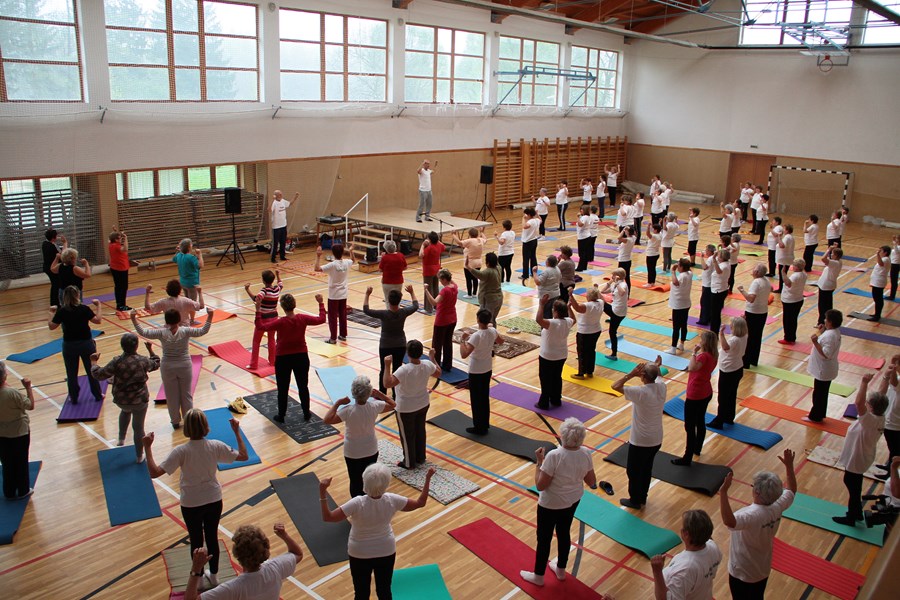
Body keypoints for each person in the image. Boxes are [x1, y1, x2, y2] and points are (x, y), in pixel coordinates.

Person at [144, 410, 248, 591]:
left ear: (187, 428)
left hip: (191, 503)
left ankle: (198, 578)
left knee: (196, 540)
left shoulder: (181, 451)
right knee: (212, 537)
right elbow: (244, 456)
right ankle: (214, 576)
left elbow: (154, 472)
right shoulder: (215, 445)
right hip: (213, 499)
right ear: (206, 426)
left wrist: (147, 447)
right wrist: (236, 431)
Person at [319, 463, 435, 599]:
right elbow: (420, 503)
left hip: (359, 552)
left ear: (365, 482)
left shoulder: (357, 503)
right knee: (384, 591)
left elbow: (328, 517)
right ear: (386, 483)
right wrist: (428, 478)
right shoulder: (392, 500)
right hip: (386, 550)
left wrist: (322, 491)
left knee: (361, 594)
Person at [520, 418, 598, 586]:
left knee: (544, 538)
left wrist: (539, 463)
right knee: (564, 532)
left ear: (562, 435)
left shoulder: (554, 455)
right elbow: (591, 481)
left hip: (550, 504)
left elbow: (540, 485)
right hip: (573, 500)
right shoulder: (586, 452)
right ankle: (561, 569)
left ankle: (538, 576)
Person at [720, 449, 797, 599]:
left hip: (742, 572)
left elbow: (729, 521)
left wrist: (723, 493)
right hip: (762, 568)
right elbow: (792, 490)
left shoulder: (751, 515)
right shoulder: (777, 505)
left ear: (756, 492)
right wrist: (789, 466)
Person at [132, 307, 213, 428]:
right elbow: (203, 331)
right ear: (179, 319)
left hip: (168, 367)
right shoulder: (185, 331)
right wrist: (210, 316)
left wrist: (133, 318)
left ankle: (175, 421)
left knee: (171, 396)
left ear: (166, 320)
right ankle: (188, 420)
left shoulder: (161, 333)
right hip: (184, 365)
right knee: (186, 395)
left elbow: (143, 332)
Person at [254, 294, 326, 422]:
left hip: (283, 359)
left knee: (283, 388)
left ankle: (281, 415)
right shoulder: (302, 318)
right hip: (301, 357)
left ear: (282, 307)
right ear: (294, 304)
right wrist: (320, 303)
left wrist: (258, 310)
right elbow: (321, 319)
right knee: (303, 387)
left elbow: (261, 327)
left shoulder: (280, 322)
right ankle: (306, 413)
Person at [183, 523, 302, 600]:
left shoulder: (234, 587)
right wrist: (284, 535)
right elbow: (298, 554)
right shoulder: (276, 567)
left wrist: (196, 569)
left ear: (237, 554)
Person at [90, 334, 160, 462]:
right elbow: (156, 363)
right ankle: (139, 456)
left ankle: (121, 439)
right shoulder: (142, 360)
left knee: (125, 411)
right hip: (139, 400)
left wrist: (94, 362)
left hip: (121, 400)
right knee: (138, 428)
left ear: (122, 346)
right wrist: (150, 350)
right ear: (136, 346)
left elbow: (98, 375)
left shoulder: (117, 361)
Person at [323, 375, 396, 497]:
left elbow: (327, 419)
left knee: (355, 481)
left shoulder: (348, 410)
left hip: (353, 452)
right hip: (371, 450)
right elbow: (393, 404)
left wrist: (338, 403)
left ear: (353, 392)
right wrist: (380, 394)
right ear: (369, 393)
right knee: (369, 479)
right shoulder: (375, 406)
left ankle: (356, 503)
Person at [833, 370, 890, 526]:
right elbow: (881, 395)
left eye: (868, 403)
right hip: (863, 456)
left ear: (871, 407)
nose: (866, 403)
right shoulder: (879, 416)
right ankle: (857, 512)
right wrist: (886, 377)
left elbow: (858, 403)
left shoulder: (870, 421)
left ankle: (852, 517)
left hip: (857, 457)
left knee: (852, 486)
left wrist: (864, 382)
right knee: (854, 484)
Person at [612, 358, 666, 509]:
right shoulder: (662, 387)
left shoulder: (640, 392)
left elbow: (615, 386)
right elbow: (658, 376)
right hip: (656, 439)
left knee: (633, 471)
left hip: (641, 440)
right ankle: (642, 497)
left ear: (642, 376)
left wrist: (630, 374)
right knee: (646, 469)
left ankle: (635, 500)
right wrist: (655, 366)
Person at [382, 340, 440, 469]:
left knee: (408, 435)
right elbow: (438, 372)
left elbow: (387, 383)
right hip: (423, 404)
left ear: (407, 353)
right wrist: (432, 358)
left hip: (406, 408)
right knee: (420, 431)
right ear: (421, 353)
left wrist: (387, 365)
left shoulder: (404, 370)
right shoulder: (427, 364)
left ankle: (409, 463)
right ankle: (420, 457)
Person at [650, 510, 721, 600]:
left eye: (682, 526)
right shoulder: (713, 547)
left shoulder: (685, 569)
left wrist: (657, 571)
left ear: (686, 534)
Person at [49, 286, 103, 403]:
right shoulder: (84, 309)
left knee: (71, 373)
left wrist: (51, 313)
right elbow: (98, 320)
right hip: (86, 344)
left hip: (69, 345)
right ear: (78, 295)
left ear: (64, 297)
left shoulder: (62, 311)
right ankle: (97, 395)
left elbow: (51, 326)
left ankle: (73, 397)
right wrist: (98, 305)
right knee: (91, 369)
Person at [673, 330, 718, 467]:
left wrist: (693, 353)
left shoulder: (703, 356)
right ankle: (697, 448)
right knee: (700, 421)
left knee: (690, 426)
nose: (699, 341)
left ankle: (687, 457)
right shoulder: (714, 355)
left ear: (705, 342)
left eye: (701, 339)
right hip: (706, 391)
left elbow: (692, 367)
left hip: (696, 394)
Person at [365, 285, 419, 398]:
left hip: (386, 345)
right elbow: (415, 306)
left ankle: (382, 395)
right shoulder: (403, 312)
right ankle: (396, 395)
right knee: (397, 370)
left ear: (388, 301)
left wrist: (367, 294)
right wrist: (412, 292)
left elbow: (366, 310)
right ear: (399, 301)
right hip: (400, 345)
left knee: (384, 369)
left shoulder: (383, 314)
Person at [460, 309, 502, 434]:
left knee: (476, 399)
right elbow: (501, 341)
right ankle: (484, 424)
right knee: (484, 397)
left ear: (478, 320)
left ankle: (479, 426)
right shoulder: (492, 331)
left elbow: (464, 354)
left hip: (476, 371)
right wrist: (492, 330)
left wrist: (462, 340)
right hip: (487, 369)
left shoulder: (476, 336)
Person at [0, 362, 35, 500]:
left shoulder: (9, 392)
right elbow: (30, 405)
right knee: (21, 461)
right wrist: (28, 388)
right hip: (19, 432)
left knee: (7, 462)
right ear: (4, 376)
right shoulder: (12, 393)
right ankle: (22, 490)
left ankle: (9, 491)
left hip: (2, 434)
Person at [708, 317, 749, 430]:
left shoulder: (734, 340)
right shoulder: (744, 336)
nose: (730, 326)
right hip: (737, 368)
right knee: (731, 395)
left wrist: (721, 334)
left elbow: (725, 347)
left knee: (723, 397)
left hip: (729, 370)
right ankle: (729, 417)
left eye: (732, 325)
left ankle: (719, 420)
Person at [535, 295, 573, 410]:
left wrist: (541, 305)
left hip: (548, 356)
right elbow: (574, 319)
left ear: (556, 312)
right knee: (556, 377)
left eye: (553, 309)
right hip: (561, 355)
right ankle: (556, 399)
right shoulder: (568, 321)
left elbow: (539, 320)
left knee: (545, 379)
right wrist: (569, 308)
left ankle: (544, 402)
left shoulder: (552, 323)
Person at [806, 309, 842, 423]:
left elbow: (826, 354)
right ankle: (819, 413)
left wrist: (815, 342)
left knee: (819, 394)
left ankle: (815, 416)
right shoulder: (833, 332)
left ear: (830, 322)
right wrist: (822, 332)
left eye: (826, 319)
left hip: (823, 369)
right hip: (826, 369)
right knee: (821, 393)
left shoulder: (830, 336)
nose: (824, 320)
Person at [244, 269, 283, 367]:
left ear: (263, 280)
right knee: (271, 340)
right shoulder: (277, 289)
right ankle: (273, 361)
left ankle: (254, 364)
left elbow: (256, 299)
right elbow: (280, 284)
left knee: (256, 341)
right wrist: (278, 275)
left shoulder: (264, 291)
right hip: (274, 318)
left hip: (263, 319)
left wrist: (247, 289)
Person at [316, 244, 354, 343]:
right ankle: (343, 335)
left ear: (333, 253)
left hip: (333, 295)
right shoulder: (347, 262)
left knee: (332, 317)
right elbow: (353, 260)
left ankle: (333, 338)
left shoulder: (332, 265)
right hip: (343, 294)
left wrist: (318, 256)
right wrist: (351, 251)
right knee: (343, 315)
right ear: (342, 252)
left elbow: (317, 268)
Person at [423, 269, 457, 373]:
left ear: (444, 279)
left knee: (437, 344)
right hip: (452, 318)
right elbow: (450, 279)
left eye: (440, 279)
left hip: (442, 320)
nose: (440, 282)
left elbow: (434, 302)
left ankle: (435, 366)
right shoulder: (455, 286)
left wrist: (426, 290)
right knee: (448, 343)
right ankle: (447, 365)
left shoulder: (445, 291)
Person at [739, 264, 772, 368]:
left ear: (757, 272)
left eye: (754, 270)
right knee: (757, 337)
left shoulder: (756, 282)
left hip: (753, 312)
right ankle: (754, 360)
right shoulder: (766, 280)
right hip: (763, 312)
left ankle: (746, 362)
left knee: (748, 337)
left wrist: (742, 290)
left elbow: (751, 299)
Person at [569, 285, 603, 379]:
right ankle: (589, 371)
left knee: (582, 353)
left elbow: (577, 308)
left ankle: (581, 373)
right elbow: (600, 297)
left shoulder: (588, 305)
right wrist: (596, 289)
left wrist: (571, 295)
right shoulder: (600, 302)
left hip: (584, 332)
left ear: (588, 296)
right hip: (596, 330)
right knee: (591, 351)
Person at [465, 251, 503, 326]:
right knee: (492, 319)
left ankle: (487, 333)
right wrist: (493, 255)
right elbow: (496, 262)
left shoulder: (488, 272)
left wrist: (468, 266)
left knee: (486, 321)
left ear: (487, 263)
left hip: (489, 300)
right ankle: (493, 332)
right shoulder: (499, 268)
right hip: (499, 298)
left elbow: (479, 274)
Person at [173, 239, 204, 324]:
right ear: (189, 247)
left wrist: (177, 251)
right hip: (192, 283)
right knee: (192, 303)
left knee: (186, 300)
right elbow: (200, 265)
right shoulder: (191, 258)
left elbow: (174, 259)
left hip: (183, 282)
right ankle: (192, 320)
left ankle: (185, 317)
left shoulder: (179, 255)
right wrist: (200, 255)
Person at [601, 268, 628, 360]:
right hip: (615, 310)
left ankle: (614, 354)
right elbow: (603, 291)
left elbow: (622, 292)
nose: (611, 276)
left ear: (618, 277)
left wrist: (616, 282)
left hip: (617, 312)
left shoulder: (623, 284)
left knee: (601, 302)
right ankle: (614, 354)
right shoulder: (615, 285)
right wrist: (610, 282)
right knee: (612, 332)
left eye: (613, 275)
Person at [667, 258, 693, 355]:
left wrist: (673, 271)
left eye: (679, 265)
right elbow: (689, 269)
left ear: (682, 267)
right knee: (683, 324)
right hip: (686, 303)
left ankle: (673, 348)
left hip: (678, 305)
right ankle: (681, 344)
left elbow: (675, 282)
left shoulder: (682, 276)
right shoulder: (690, 274)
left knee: (676, 327)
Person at [779, 258, 807, 345]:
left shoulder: (795, 276)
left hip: (790, 301)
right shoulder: (804, 274)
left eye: (794, 265)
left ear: (797, 267)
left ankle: (788, 338)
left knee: (788, 320)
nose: (793, 267)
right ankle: (791, 337)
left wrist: (783, 273)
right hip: (798, 299)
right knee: (793, 320)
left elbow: (788, 283)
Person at [453, 227, 487, 299]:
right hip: (478, 262)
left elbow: (459, 243)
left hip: (469, 263)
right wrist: (482, 232)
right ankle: (474, 293)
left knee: (468, 279)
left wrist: (453, 235)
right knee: (475, 278)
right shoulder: (480, 240)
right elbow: (485, 239)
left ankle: (469, 294)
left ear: (469, 234)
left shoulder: (470, 241)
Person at [420, 231, 446, 314]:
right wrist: (437, 240)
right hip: (436, 269)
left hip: (428, 270)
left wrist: (423, 245)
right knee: (435, 288)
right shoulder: (439, 245)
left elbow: (421, 255)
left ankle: (428, 309)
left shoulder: (429, 248)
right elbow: (444, 247)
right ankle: (436, 306)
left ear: (430, 240)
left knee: (428, 289)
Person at [815, 245, 842, 325]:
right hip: (829, 285)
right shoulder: (838, 262)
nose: (831, 255)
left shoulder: (835, 263)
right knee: (828, 305)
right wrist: (834, 248)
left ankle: (822, 322)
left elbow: (823, 259)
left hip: (826, 286)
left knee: (823, 306)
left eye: (832, 254)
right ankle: (828, 321)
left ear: (836, 256)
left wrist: (828, 250)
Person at [379, 240, 407, 308]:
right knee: (397, 300)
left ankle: (389, 313)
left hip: (387, 282)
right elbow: (405, 267)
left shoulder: (385, 258)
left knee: (388, 300)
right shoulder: (401, 255)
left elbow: (380, 269)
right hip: (399, 281)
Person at [709, 248, 731, 335]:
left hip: (718, 291)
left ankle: (714, 332)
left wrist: (714, 260)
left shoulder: (724, 266)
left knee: (715, 313)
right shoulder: (725, 264)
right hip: (720, 289)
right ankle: (714, 330)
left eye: (719, 256)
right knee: (716, 312)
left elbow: (718, 271)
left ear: (722, 257)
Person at [108, 229, 131, 311]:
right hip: (121, 268)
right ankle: (122, 305)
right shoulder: (117, 246)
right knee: (123, 287)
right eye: (119, 238)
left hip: (114, 267)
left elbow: (110, 238)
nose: (121, 239)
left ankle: (119, 304)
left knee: (118, 287)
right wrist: (126, 238)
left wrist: (115, 231)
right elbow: (125, 249)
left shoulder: (110, 244)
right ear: (116, 239)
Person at [42, 228, 66, 307]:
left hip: (47, 267)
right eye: (56, 236)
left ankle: (54, 302)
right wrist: (65, 243)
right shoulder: (51, 246)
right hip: (52, 268)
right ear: (53, 238)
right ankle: (55, 303)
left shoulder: (45, 243)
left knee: (55, 284)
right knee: (56, 285)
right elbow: (62, 255)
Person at [270, 190, 295, 262]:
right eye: (279, 194)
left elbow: (290, 203)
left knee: (283, 242)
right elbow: (269, 209)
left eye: (281, 194)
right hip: (276, 227)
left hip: (283, 225)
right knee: (275, 243)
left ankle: (282, 256)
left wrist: (295, 197)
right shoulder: (274, 203)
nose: (281, 195)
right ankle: (273, 258)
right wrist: (272, 200)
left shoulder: (283, 201)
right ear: (275, 195)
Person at [534, 254, 562, 319]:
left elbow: (538, 282)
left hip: (546, 295)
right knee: (550, 312)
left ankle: (545, 325)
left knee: (545, 313)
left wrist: (534, 272)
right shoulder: (557, 269)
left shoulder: (546, 272)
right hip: (556, 293)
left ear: (548, 262)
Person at [697, 245, 716, 327]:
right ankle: (708, 318)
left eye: (706, 250)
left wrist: (701, 257)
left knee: (705, 302)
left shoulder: (710, 259)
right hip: (709, 282)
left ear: (710, 251)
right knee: (708, 302)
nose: (705, 251)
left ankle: (704, 319)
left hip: (708, 283)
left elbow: (704, 267)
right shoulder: (713, 258)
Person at [870, 245, 890, 322]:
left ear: (885, 252)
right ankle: (876, 314)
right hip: (877, 281)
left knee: (878, 299)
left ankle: (877, 315)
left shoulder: (885, 259)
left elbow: (881, 263)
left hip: (879, 282)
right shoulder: (885, 259)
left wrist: (877, 254)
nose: (879, 252)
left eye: (881, 251)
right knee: (876, 298)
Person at [520, 207, 541, 281]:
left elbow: (525, 226)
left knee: (526, 259)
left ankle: (525, 275)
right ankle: (533, 272)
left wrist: (523, 219)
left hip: (527, 242)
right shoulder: (537, 220)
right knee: (533, 257)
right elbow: (540, 220)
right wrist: (537, 214)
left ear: (529, 215)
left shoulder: (530, 222)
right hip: (534, 240)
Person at [775, 223, 795, 293]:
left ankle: (781, 288)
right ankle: (782, 287)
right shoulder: (790, 237)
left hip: (784, 259)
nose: (783, 230)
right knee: (783, 273)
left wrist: (779, 238)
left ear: (787, 230)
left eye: (784, 229)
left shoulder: (787, 237)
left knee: (782, 274)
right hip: (787, 258)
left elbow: (782, 246)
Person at [617, 225, 636, 291]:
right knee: (627, 277)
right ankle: (627, 292)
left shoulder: (628, 240)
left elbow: (619, 238)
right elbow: (634, 233)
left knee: (620, 277)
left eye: (626, 230)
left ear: (628, 232)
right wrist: (628, 229)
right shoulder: (633, 238)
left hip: (623, 260)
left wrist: (623, 230)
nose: (625, 231)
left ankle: (621, 291)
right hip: (628, 260)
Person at [575, 206, 592, 272]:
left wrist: (578, 217)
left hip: (583, 237)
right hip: (587, 236)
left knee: (582, 253)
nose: (580, 210)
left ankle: (580, 267)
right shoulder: (588, 217)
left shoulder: (584, 217)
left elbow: (580, 224)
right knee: (585, 253)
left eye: (582, 209)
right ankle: (584, 266)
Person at [889, 235, 900, 301]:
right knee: (893, 281)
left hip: (896, 265)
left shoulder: (898, 247)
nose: (896, 240)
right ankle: (892, 295)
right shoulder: (897, 246)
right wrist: (894, 241)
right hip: (895, 264)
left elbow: (896, 251)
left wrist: (894, 242)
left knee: (894, 281)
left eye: (897, 239)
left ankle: (892, 296)